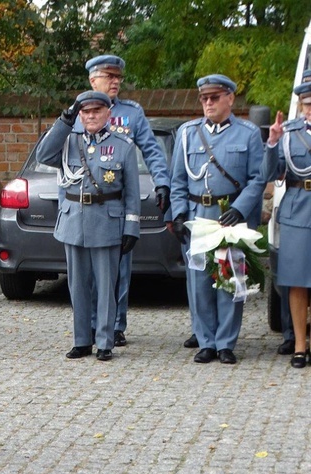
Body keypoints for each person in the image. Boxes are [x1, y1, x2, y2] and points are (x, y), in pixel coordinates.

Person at [36, 91, 140, 361]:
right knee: (77, 285)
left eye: (96, 111)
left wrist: (131, 228)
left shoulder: (123, 146)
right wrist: (64, 122)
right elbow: (43, 155)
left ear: (108, 113)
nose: (91, 116)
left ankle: (105, 341)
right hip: (74, 220)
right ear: (80, 115)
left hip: (106, 221)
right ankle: (82, 340)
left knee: (106, 286)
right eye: (86, 112)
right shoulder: (69, 141)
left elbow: (131, 193)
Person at [170, 74, 265, 364]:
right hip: (199, 216)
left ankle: (226, 343)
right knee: (199, 282)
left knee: (228, 279)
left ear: (230, 99)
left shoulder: (248, 133)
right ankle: (206, 341)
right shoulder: (188, 132)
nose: (208, 103)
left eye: (214, 98)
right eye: (204, 98)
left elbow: (258, 178)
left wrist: (242, 207)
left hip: (230, 217)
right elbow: (178, 179)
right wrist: (177, 214)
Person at [84, 55, 170, 348]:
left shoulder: (131, 114)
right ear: (93, 80)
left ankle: (116, 325)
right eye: (109, 76)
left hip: (117, 203)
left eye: (118, 77)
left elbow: (152, 150)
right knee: (89, 272)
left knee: (119, 268)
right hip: (85, 206)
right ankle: (91, 324)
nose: (116, 82)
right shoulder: (82, 111)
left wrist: (162, 182)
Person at [263, 81, 311, 368]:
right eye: (308, 105)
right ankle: (300, 347)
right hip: (298, 207)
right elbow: (272, 172)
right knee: (296, 281)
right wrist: (272, 143)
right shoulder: (290, 135)